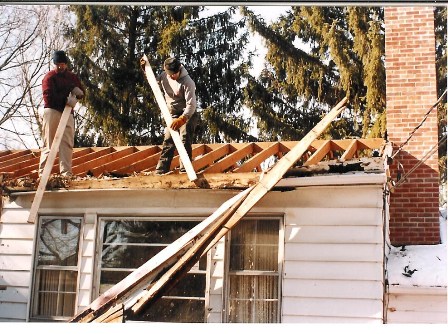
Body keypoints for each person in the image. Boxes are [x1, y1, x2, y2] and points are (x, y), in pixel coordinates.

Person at [38, 50, 85, 178]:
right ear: (55, 64)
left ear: (66, 64)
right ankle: (44, 175)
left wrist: (78, 92)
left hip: (68, 112)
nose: (61, 66)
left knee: (67, 144)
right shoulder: (49, 77)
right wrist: (65, 99)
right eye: (58, 64)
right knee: (49, 143)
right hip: (53, 111)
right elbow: (48, 97)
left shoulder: (72, 77)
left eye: (63, 64)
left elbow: (82, 92)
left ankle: (66, 174)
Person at [153, 56, 198, 175]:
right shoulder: (164, 76)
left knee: (185, 137)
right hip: (172, 115)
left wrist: (183, 119)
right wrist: (145, 70)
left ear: (179, 70)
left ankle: (185, 169)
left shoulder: (188, 82)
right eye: (170, 74)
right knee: (168, 139)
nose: (173, 76)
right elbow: (153, 83)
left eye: (175, 74)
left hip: (187, 114)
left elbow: (191, 105)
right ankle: (161, 169)